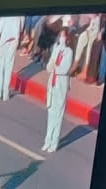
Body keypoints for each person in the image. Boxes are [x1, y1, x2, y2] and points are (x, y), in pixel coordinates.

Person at [42, 25, 74, 153]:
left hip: (61, 84)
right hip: (52, 83)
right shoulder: (56, 49)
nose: (61, 38)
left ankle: (54, 143)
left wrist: (55, 66)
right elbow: (49, 66)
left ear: (67, 38)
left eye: (63, 36)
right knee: (51, 113)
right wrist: (53, 64)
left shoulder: (69, 52)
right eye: (60, 35)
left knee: (58, 115)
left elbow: (63, 69)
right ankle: (47, 141)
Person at [0, 15, 21, 101]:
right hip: (14, 40)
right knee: (9, 66)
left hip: (4, 39)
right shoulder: (19, 16)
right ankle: (6, 94)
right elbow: (21, 28)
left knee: (1, 65)